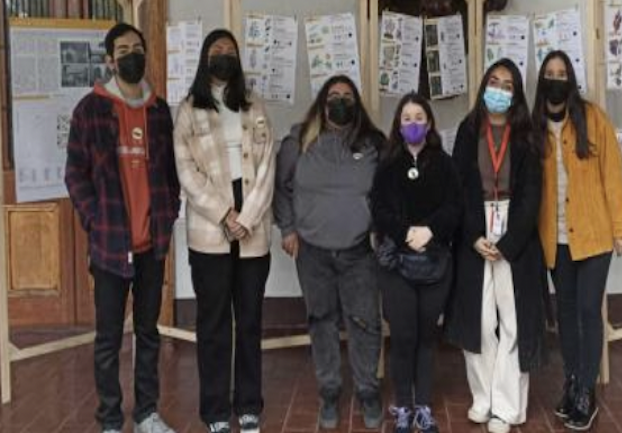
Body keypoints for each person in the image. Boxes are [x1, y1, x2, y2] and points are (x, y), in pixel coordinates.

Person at [65, 22, 181, 433]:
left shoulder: (160, 110)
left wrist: (169, 212)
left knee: (148, 334)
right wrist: (96, 220)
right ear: (110, 59)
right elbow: (75, 174)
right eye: (123, 49)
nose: (132, 55)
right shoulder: (90, 109)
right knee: (108, 339)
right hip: (111, 245)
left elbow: (171, 174)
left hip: (153, 245)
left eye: (137, 47)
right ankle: (111, 418)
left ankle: (147, 413)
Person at [174, 29, 275, 433]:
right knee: (213, 323)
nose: (223, 56)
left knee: (249, 320)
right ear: (204, 58)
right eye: (216, 51)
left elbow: (269, 165)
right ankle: (215, 410)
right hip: (209, 226)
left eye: (229, 51)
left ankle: (248, 404)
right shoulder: (187, 109)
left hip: (251, 220)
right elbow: (186, 171)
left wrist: (246, 218)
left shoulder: (254, 106)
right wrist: (223, 214)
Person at [273, 75, 385, 430]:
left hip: (358, 253)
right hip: (313, 253)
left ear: (357, 104)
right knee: (321, 321)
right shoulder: (298, 142)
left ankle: (368, 391)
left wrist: (382, 234)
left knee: (365, 322)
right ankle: (330, 391)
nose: (340, 101)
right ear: (322, 102)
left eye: (347, 96)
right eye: (333, 95)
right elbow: (281, 188)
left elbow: (387, 194)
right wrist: (288, 228)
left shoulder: (373, 144)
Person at [444, 58, 546, 433]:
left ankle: (507, 406)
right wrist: (472, 235)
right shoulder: (468, 129)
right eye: (493, 82)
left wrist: (508, 243)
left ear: (516, 93)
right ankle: (482, 398)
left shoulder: (528, 135)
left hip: (514, 234)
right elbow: (458, 187)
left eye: (507, 85)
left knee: (514, 322)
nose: (499, 90)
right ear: (483, 86)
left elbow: (532, 194)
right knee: (479, 321)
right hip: (476, 228)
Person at [532, 50, 622, 431]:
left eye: (562, 73)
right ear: (542, 80)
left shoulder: (593, 119)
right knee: (567, 315)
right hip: (553, 240)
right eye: (549, 73)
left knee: (590, 312)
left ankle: (587, 391)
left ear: (571, 79)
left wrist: (621, 228)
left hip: (593, 236)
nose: (556, 78)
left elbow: (614, 174)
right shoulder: (534, 126)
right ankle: (572, 381)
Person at [370, 93, 461, 433]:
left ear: (430, 122)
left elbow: (455, 206)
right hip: (397, 263)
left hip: (435, 262)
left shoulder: (445, 163)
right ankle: (404, 406)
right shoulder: (387, 163)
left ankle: (423, 406)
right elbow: (378, 209)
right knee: (404, 336)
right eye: (406, 118)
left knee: (426, 337)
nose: (412, 123)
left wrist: (431, 231)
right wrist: (406, 232)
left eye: (418, 117)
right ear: (398, 124)